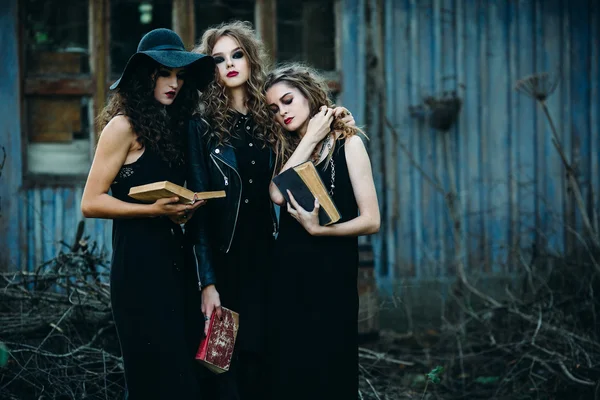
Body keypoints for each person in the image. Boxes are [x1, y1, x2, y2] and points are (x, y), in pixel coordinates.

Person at [81, 28, 214, 400]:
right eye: (164, 74)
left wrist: (183, 209)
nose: (174, 84)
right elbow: (90, 202)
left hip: (177, 264)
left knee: (184, 377)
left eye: (180, 76)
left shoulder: (179, 127)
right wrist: (152, 209)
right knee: (153, 379)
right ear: (144, 76)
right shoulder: (123, 127)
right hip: (138, 267)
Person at [265, 63, 381, 400]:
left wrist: (321, 231)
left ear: (310, 95)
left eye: (288, 101)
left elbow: (371, 220)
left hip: (332, 272)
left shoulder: (349, 144)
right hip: (287, 274)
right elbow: (276, 192)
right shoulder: (283, 148)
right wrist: (312, 136)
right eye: (274, 108)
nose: (281, 113)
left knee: (331, 369)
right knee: (290, 372)